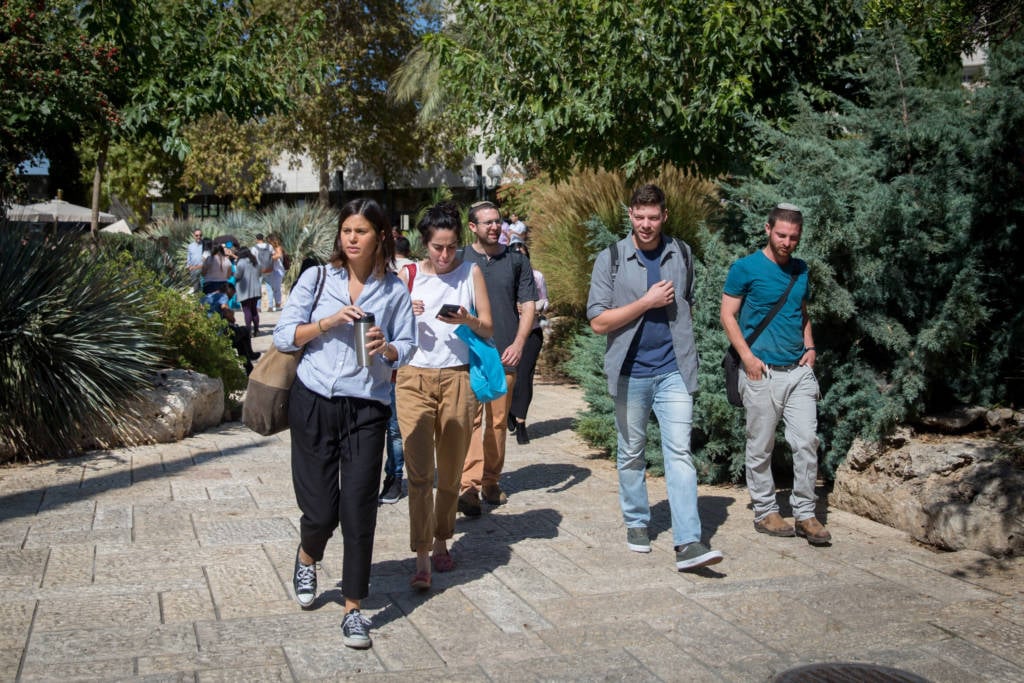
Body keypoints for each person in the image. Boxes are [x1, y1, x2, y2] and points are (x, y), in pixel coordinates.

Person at [273, 198, 416, 649]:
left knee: (358, 509)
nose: (352, 238)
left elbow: (408, 346)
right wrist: (327, 322)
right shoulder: (318, 278)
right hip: (313, 401)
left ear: (380, 237)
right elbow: (282, 335)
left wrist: (387, 347)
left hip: (367, 408)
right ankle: (307, 554)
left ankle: (354, 609)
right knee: (320, 510)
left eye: (362, 231)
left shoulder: (393, 290)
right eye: (347, 230)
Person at [586, 183, 723, 572]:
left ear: (664, 216)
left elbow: (688, 304)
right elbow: (598, 322)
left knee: (679, 452)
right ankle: (637, 521)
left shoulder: (681, 253)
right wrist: (645, 302)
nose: (646, 224)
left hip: (674, 371)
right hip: (630, 372)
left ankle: (689, 542)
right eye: (639, 216)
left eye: (653, 217)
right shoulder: (610, 258)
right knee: (631, 452)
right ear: (629, 215)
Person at [719, 203, 831, 546]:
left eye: (793, 237)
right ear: (768, 230)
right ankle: (766, 511)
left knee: (806, 443)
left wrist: (810, 349)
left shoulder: (801, 270)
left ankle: (806, 514)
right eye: (781, 235)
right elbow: (727, 315)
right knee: (761, 445)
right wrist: (748, 358)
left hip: (798, 371)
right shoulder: (745, 268)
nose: (787, 242)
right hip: (760, 372)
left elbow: (801, 312)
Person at [395, 202, 493, 589]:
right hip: (413, 378)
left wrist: (466, 318)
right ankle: (421, 556)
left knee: (450, 473)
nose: (444, 254)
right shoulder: (409, 274)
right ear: (426, 243)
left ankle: (441, 541)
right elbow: (385, 326)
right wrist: (406, 309)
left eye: (451, 246)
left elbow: (486, 327)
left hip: (457, 379)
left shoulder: (471, 271)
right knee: (419, 474)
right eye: (437, 246)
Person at [458, 200, 537, 516]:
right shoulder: (460, 258)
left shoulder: (516, 261)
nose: (495, 226)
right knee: (469, 422)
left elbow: (528, 304)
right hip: (465, 353)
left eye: (498, 221)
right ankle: (469, 486)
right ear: (472, 227)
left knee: (497, 423)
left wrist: (520, 342)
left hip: (504, 352)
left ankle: (490, 481)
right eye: (487, 222)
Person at [379, 235, 417, 505]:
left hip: (401, 367)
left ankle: (393, 478)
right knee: (388, 428)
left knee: (393, 428)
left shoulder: (406, 277)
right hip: (377, 367)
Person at [507, 243, 547, 445]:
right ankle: (508, 411)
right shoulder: (504, 277)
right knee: (509, 376)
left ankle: (521, 421)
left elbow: (545, 301)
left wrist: (532, 307)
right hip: (508, 334)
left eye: (523, 256)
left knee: (524, 376)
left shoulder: (537, 276)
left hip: (531, 332)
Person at [201, 281, 260, 374]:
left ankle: (249, 369)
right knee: (245, 330)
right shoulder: (222, 296)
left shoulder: (205, 297)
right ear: (228, 291)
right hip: (220, 333)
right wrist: (232, 318)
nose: (231, 297)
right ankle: (251, 355)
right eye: (231, 295)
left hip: (207, 331)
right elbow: (225, 309)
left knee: (240, 341)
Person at [233, 246, 262, 337]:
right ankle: (256, 330)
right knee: (254, 310)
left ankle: (248, 331)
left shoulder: (241, 263)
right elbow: (260, 273)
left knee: (247, 311)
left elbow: (237, 276)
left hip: (245, 290)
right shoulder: (255, 262)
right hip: (256, 290)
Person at [252, 233, 274, 311]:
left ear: (257, 239)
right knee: (269, 288)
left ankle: (258, 307)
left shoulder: (254, 248)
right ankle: (271, 306)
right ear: (263, 238)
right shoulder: (270, 246)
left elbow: (253, 259)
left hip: (259, 270)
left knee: (258, 288)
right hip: (268, 270)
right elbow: (273, 256)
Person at [266, 233, 286, 311]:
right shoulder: (270, 248)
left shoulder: (278, 248)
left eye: (269, 241)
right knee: (270, 288)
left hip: (278, 270)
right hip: (272, 270)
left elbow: (279, 255)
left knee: (276, 288)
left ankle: (277, 305)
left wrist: (269, 258)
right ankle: (271, 305)